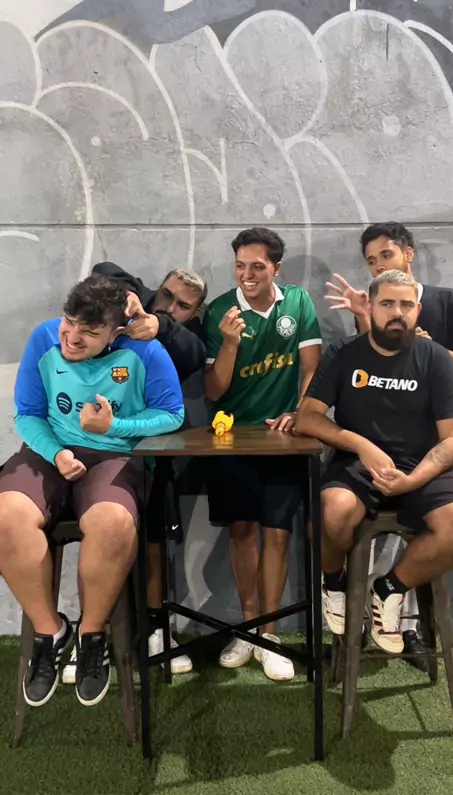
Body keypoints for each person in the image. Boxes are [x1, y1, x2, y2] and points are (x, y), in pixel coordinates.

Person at [0, 275, 184, 708]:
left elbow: (172, 414)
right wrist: (56, 452)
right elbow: (27, 413)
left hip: (114, 456)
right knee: (6, 515)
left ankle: (91, 634)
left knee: (113, 522)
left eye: (89, 332)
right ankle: (50, 632)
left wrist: (115, 426)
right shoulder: (44, 338)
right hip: (48, 451)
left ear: (116, 332)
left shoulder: (145, 351)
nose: (72, 337)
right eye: (69, 323)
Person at [297, 270, 453, 653]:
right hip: (356, 465)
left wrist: (413, 480)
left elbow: (452, 439)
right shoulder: (344, 352)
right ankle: (334, 580)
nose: (397, 312)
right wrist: (361, 445)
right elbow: (308, 418)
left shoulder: (435, 357)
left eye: (406, 305)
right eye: (387, 303)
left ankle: (389, 588)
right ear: (371, 307)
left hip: (423, 466)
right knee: (333, 510)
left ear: (418, 310)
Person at [61, 262, 207, 683]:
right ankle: (95, 633)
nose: (171, 306)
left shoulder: (180, 337)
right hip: (91, 448)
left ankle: (158, 628)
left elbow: (196, 355)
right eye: (167, 296)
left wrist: (161, 326)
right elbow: (103, 270)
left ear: (193, 313)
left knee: (157, 541)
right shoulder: (125, 305)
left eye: (183, 306)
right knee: (98, 535)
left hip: (153, 451)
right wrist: (130, 302)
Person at [204, 227, 322, 681]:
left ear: (276, 268)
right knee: (241, 531)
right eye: (240, 266)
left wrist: (299, 412)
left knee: (277, 535)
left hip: (283, 440)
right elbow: (214, 390)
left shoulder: (298, 302)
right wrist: (230, 344)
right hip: (232, 439)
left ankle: (269, 635)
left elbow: (311, 369)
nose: (247, 274)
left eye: (257, 266)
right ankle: (248, 628)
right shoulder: (220, 311)